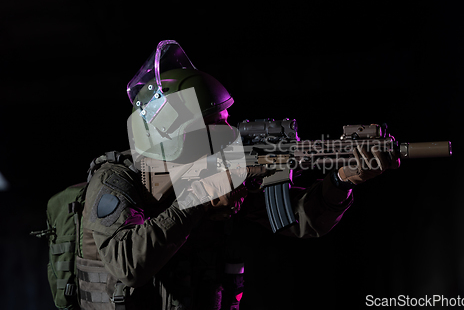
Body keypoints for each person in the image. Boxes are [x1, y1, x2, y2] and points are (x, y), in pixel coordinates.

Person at [79, 40, 399, 310]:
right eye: (212, 124)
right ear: (172, 136)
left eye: (224, 119)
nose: (228, 132)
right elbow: (128, 264)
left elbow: (300, 221)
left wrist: (342, 180)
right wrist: (198, 200)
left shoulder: (215, 169)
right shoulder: (114, 180)